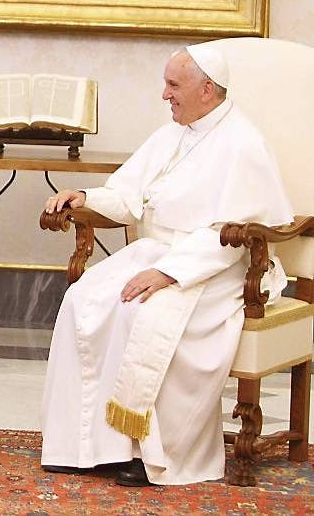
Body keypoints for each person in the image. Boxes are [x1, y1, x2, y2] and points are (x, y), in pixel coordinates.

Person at [40, 43, 293, 486]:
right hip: (158, 253)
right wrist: (85, 198)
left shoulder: (242, 143)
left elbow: (235, 235)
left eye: (173, 85)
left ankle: (151, 451)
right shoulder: (173, 132)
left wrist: (169, 273)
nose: (164, 95)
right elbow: (127, 194)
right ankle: (88, 445)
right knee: (85, 298)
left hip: (217, 270)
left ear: (207, 89)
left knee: (144, 311)